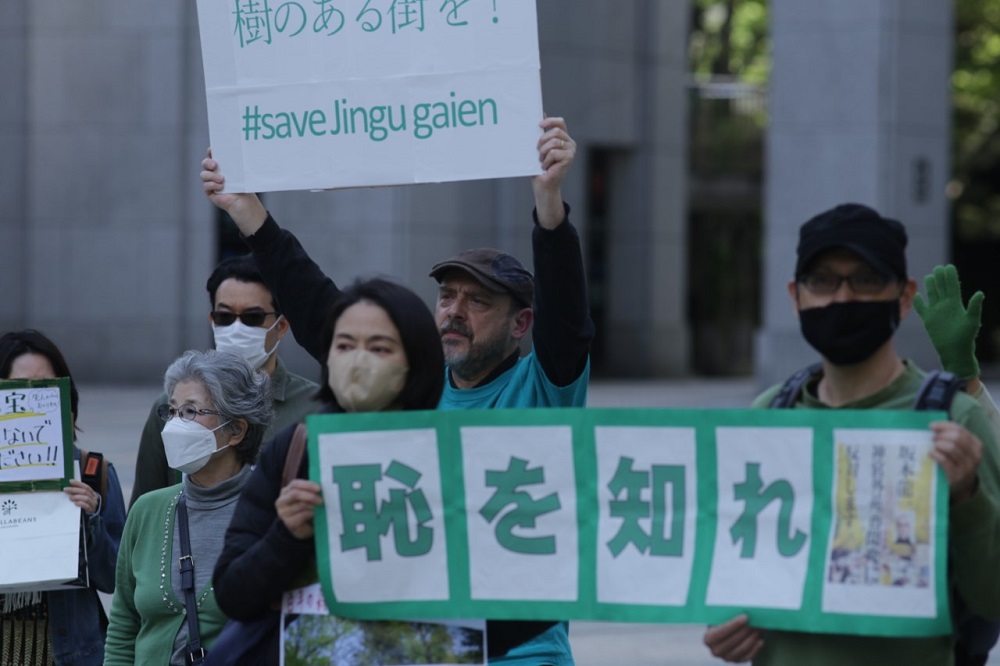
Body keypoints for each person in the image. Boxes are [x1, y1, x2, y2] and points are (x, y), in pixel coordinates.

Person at [201, 116, 592, 663]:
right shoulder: (399, 402)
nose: (455, 312)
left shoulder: (545, 389)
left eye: (477, 302)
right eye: (447, 297)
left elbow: (569, 323)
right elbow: (321, 309)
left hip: (518, 651)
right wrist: (250, 216)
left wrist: (549, 208)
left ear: (521, 325)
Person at [702, 203, 1000, 665]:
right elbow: (736, 568)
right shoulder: (770, 414)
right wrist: (724, 625)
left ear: (904, 297)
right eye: (822, 281)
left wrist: (968, 497)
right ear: (795, 295)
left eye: (864, 280)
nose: (841, 299)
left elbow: (991, 598)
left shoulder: (954, 422)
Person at [212, 277, 446, 663]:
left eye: (379, 348)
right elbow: (232, 595)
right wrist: (286, 536)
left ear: (416, 361)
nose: (357, 360)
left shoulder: (451, 455)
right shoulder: (297, 448)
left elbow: (511, 609)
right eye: (345, 345)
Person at [104, 350, 274, 665]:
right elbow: (123, 627)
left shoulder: (269, 513)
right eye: (171, 411)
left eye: (191, 411)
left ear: (236, 430)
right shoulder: (148, 510)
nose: (174, 425)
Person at [130, 255, 318, 507]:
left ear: (281, 326)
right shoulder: (171, 407)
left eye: (252, 317)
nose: (236, 328)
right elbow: (146, 503)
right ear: (212, 321)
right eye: (225, 317)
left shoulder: (315, 408)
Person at [0, 329, 126, 666]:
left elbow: (115, 578)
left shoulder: (92, 471)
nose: (36, 396)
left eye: (47, 385)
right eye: (21, 385)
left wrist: (91, 513)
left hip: (69, 653)